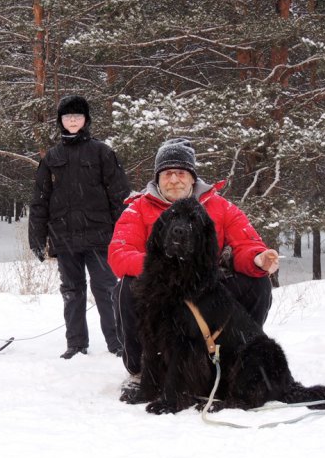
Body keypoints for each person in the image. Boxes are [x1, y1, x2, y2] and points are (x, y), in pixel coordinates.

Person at [108, 138, 279, 376]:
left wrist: (258, 258)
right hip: (160, 289)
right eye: (167, 174)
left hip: (207, 287)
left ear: (192, 178)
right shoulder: (137, 209)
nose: (174, 180)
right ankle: (141, 369)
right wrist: (163, 268)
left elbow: (246, 243)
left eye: (181, 173)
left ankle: (240, 357)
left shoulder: (220, 206)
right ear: (157, 178)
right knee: (126, 288)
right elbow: (120, 254)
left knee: (257, 284)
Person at [29, 95, 131, 359]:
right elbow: (40, 200)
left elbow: (120, 196)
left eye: (77, 116)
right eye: (67, 116)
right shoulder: (52, 157)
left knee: (106, 288)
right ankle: (76, 344)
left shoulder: (102, 152)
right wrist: (37, 237)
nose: (72, 121)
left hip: (100, 236)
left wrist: (124, 235)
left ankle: (118, 342)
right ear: (60, 121)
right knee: (72, 291)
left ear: (86, 120)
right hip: (64, 237)